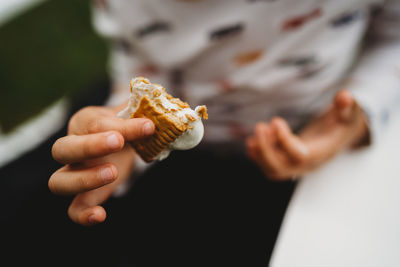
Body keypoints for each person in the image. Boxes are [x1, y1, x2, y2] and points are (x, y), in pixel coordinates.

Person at [48, 0, 400, 265]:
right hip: (174, 162)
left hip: (308, 144)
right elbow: (141, 63)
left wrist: (356, 115)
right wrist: (122, 127)